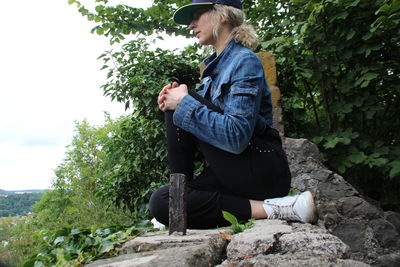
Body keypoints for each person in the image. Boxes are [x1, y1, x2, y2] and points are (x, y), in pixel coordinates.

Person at [149, 0, 317, 229]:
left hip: (262, 169)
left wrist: (184, 102)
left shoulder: (244, 61)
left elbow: (236, 137)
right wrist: (177, 101)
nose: (191, 25)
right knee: (161, 202)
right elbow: (205, 134)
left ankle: (277, 207)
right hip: (234, 175)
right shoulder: (211, 75)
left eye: (198, 15)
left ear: (223, 15)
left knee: (181, 101)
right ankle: (183, 196)